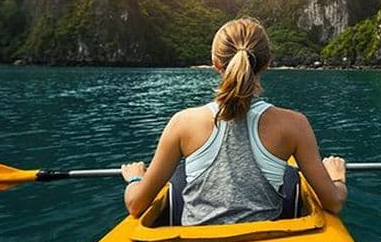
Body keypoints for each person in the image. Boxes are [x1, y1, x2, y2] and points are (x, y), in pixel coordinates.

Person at [120, 17, 347, 225]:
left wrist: (135, 179)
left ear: (216, 64)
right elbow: (334, 202)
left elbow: (136, 205)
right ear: (267, 63)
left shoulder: (183, 123)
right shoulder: (294, 124)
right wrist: (336, 178)